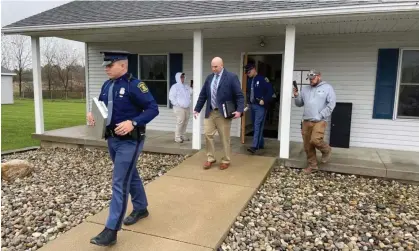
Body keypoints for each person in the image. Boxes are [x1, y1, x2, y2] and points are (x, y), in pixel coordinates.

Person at [86, 51, 159, 246]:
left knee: (119, 183)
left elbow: (153, 108)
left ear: (123, 66)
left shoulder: (134, 86)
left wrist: (134, 122)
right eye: (106, 66)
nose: (106, 68)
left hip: (130, 141)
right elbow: (101, 107)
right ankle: (141, 208)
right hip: (112, 140)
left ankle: (111, 230)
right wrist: (92, 115)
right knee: (130, 174)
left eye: (110, 65)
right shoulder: (107, 85)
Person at [193, 57, 244, 170]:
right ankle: (210, 158)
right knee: (207, 134)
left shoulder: (231, 77)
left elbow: (239, 96)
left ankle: (226, 160)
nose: (213, 69)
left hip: (223, 113)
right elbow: (203, 95)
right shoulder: (209, 78)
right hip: (210, 112)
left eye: (215, 66)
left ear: (222, 65)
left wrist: (239, 110)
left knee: (224, 138)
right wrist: (197, 109)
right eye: (212, 66)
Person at [294, 69, 336, 174]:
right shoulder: (305, 89)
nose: (311, 81)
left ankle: (326, 150)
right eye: (310, 79)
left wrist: (320, 115)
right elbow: (299, 104)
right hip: (306, 120)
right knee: (307, 145)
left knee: (315, 140)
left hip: (320, 120)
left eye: (313, 78)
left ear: (319, 76)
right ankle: (312, 166)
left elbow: (331, 104)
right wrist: (296, 96)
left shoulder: (327, 88)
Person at [244, 63, 273, 154]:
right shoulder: (249, 80)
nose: (247, 74)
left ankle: (254, 146)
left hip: (260, 106)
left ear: (254, 69)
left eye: (248, 72)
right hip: (252, 105)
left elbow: (270, 91)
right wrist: (248, 103)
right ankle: (260, 143)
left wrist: (264, 100)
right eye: (246, 72)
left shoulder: (262, 79)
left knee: (257, 125)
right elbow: (249, 93)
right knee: (255, 125)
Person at [169, 72, 192, 143]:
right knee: (180, 122)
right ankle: (177, 137)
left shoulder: (186, 86)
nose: (183, 78)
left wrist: (193, 86)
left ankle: (183, 135)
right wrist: (177, 104)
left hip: (187, 107)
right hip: (179, 108)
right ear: (178, 77)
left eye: (183, 77)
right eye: (181, 77)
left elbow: (191, 92)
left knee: (185, 122)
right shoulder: (175, 87)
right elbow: (171, 97)